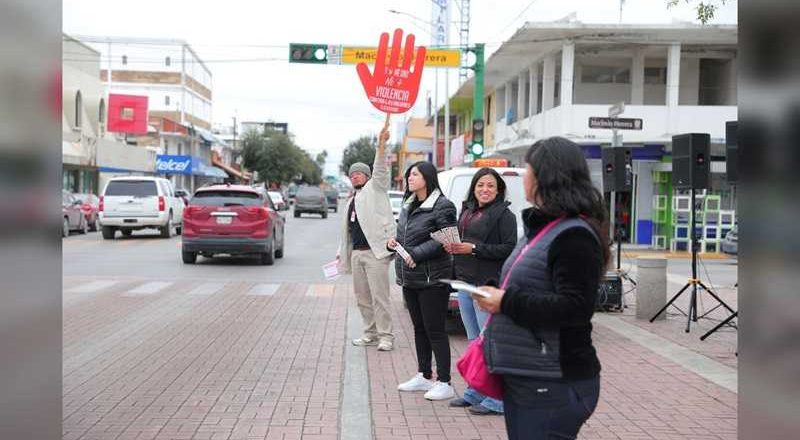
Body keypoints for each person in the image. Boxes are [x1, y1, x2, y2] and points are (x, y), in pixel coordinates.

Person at [474, 137, 609, 440]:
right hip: (530, 376)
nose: (524, 177)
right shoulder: (544, 228)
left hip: (553, 379)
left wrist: (506, 301)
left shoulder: (574, 235)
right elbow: (532, 280)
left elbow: (576, 306)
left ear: (546, 177)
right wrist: (495, 290)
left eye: (528, 170)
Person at [443, 168, 517, 415]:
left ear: (498, 190)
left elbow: (507, 249)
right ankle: (476, 391)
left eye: (490, 186)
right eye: (480, 185)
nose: (485, 190)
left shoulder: (504, 215)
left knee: (490, 343)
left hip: (486, 284)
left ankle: (498, 399)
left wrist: (473, 249)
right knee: (474, 342)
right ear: (474, 188)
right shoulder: (467, 211)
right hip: (464, 282)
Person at [388, 161, 458, 401]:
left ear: (427, 177)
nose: (410, 178)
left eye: (414, 174)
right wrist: (394, 244)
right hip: (411, 278)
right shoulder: (408, 205)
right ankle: (424, 374)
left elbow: (448, 238)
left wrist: (416, 254)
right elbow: (404, 235)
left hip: (433, 278)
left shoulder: (442, 205)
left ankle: (445, 381)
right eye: (409, 174)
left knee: (435, 330)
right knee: (419, 329)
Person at [337, 121, 396, 351]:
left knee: (380, 298)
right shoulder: (351, 200)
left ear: (368, 176)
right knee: (362, 298)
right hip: (357, 255)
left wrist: (381, 146)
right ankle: (370, 333)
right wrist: (341, 255)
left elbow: (381, 167)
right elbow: (347, 233)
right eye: (352, 175)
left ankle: (386, 336)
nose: (356, 177)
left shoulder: (376, 187)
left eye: (360, 173)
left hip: (376, 254)